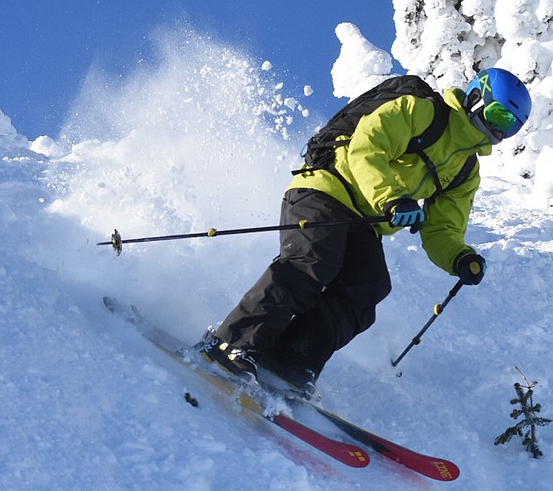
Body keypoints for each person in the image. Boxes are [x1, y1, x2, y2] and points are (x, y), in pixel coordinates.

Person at [201, 67, 532, 397]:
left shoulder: (465, 169)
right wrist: (392, 199)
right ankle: (231, 343)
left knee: (368, 286)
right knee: (314, 259)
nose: (500, 131)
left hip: (364, 219)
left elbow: (443, 227)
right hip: (326, 186)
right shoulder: (421, 111)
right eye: (499, 115)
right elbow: (366, 147)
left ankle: (290, 360)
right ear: (477, 98)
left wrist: (459, 257)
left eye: (511, 126)